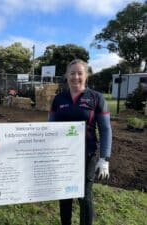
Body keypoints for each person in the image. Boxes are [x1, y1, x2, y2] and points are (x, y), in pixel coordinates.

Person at [48, 59, 112, 225]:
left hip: (87, 155)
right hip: (62, 156)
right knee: (65, 195)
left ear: (86, 76)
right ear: (66, 76)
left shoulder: (97, 98)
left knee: (84, 196)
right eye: (72, 73)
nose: (75, 77)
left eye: (79, 73)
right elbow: (49, 128)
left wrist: (104, 158)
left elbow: (105, 129)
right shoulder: (58, 99)